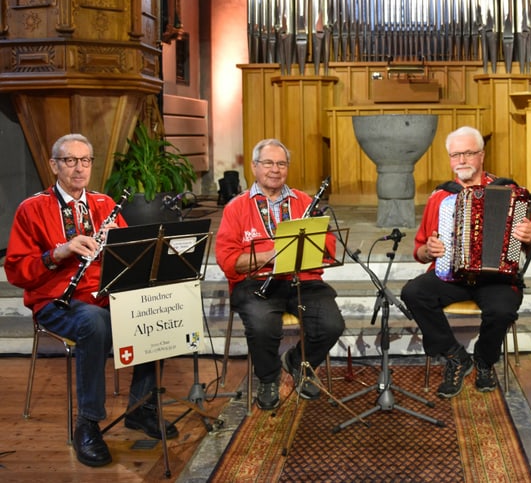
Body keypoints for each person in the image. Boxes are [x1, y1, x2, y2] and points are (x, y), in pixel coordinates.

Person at [4, 134, 179, 467]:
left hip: (104, 296)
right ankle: (88, 423)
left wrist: (118, 246)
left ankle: (142, 408)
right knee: (94, 324)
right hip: (56, 301)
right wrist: (59, 252)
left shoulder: (103, 204)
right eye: (70, 161)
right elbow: (16, 271)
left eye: (85, 160)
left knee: (156, 306)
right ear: (54, 165)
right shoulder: (32, 208)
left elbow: (131, 259)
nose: (79, 168)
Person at [400, 126, 531, 398]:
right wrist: (429, 251)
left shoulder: (508, 191)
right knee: (413, 292)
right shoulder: (441, 197)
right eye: (455, 155)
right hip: (451, 276)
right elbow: (418, 251)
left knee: (502, 310)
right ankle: (456, 356)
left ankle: (484, 362)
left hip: (496, 277)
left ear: (482, 155)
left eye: (467, 153)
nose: (461, 161)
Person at [215, 138, 345, 410]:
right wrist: (268, 255)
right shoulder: (236, 207)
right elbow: (227, 260)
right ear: (254, 167)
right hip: (257, 282)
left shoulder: (305, 201)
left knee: (332, 324)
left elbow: (330, 246)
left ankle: (299, 362)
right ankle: (268, 378)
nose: (275, 169)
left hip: (303, 280)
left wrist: (307, 244)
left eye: (281, 163)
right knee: (262, 324)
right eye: (268, 163)